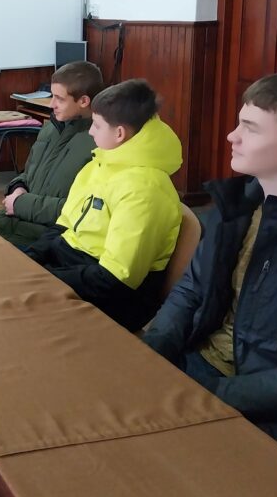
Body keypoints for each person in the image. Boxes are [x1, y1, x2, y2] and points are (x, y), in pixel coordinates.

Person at [143, 72, 277, 493]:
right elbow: (191, 290)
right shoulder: (239, 202)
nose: (231, 136)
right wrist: (151, 355)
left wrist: (205, 395)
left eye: (250, 128)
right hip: (202, 370)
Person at [26, 79, 182, 331]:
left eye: (97, 125)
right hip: (76, 268)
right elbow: (64, 226)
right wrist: (31, 257)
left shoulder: (145, 189)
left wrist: (46, 278)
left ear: (119, 134)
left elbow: (115, 279)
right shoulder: (100, 164)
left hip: (114, 297)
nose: (90, 131)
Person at [0, 61, 102, 249]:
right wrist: (17, 189)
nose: (51, 104)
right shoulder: (51, 128)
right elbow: (28, 173)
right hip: (12, 225)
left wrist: (21, 205)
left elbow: (82, 211)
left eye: (59, 99)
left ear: (84, 101)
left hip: (46, 242)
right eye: (52, 96)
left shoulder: (99, 144)